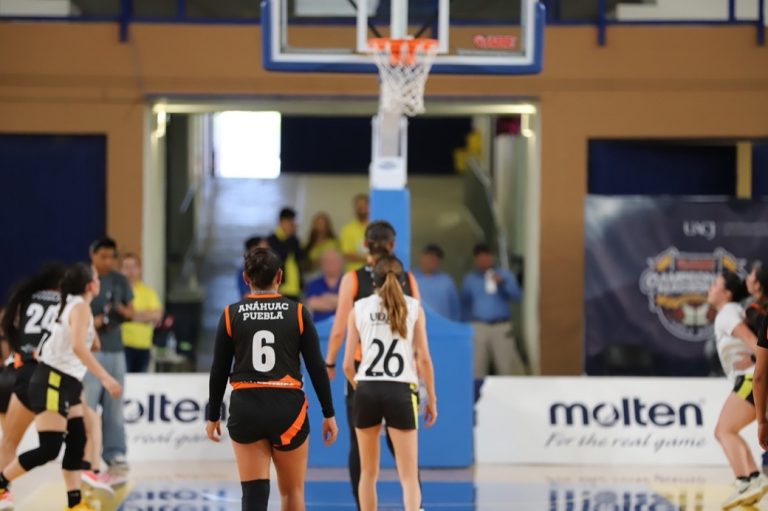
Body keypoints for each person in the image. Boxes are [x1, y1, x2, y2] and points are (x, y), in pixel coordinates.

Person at [206, 248, 338, 511]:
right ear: (280, 276)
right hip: (287, 409)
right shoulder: (298, 312)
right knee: (292, 492)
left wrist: (212, 415)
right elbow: (316, 367)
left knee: (253, 497)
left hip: (247, 407)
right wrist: (328, 413)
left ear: (246, 278)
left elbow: (219, 369)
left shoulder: (231, 314)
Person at [0, 263, 122, 511]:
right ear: (89, 285)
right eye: (96, 278)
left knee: (77, 436)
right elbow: (82, 346)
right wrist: (105, 377)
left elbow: (7, 323)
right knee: (54, 445)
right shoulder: (73, 305)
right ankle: (3, 483)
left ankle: (76, 497)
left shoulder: (43, 299)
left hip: (34, 371)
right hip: (49, 377)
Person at [324, 220, 422, 510]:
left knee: (362, 453)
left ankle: (362, 506)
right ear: (393, 244)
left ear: (365, 245)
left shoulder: (353, 279)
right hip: (400, 376)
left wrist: (330, 362)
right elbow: (418, 331)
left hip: (362, 373)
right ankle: (416, 506)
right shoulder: (407, 278)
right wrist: (418, 372)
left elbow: (338, 329)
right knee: (406, 457)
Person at [343, 255, 437, 511]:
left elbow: (347, 365)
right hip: (400, 389)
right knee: (408, 476)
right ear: (403, 281)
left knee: (367, 473)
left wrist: (361, 389)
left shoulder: (358, 308)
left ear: (373, 281)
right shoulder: (414, 308)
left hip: (367, 388)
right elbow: (424, 358)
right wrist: (431, 398)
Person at [707, 271, 766, 509]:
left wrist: (753, 359)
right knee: (727, 431)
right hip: (749, 379)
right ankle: (753, 479)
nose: (710, 288)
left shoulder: (727, 314)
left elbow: (755, 343)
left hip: (750, 380)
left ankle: (746, 480)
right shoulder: (732, 312)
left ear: (727, 293)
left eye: (715, 284)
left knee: (724, 431)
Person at [0, 265, 66, 474]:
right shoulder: (67, 302)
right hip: (49, 376)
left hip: (17, 372)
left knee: (8, 442)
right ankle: (89, 473)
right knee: (84, 430)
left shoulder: (26, 297)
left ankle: (3, 488)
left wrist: (17, 348)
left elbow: (5, 324)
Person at [83, 237, 133, 481]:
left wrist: (119, 310)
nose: (107, 261)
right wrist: (97, 321)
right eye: (102, 256)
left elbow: (130, 311)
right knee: (88, 404)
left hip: (115, 350)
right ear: (92, 255)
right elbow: (73, 315)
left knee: (114, 406)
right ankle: (84, 453)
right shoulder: (83, 279)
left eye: (112, 256)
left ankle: (115, 453)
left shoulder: (120, 280)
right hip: (90, 351)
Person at [461, 243, 525, 378]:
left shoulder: (505, 275)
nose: (483, 261)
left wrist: (503, 283)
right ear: (475, 260)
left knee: (505, 367)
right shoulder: (470, 279)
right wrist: (467, 326)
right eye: (480, 258)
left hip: (500, 326)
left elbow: (518, 296)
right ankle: (477, 391)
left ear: (491, 258)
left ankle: (506, 391)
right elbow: (465, 303)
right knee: (477, 367)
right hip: (478, 326)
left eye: (486, 257)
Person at [120, 254, 162, 373]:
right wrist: (145, 314)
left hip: (144, 346)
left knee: (141, 382)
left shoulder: (148, 292)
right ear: (121, 270)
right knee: (124, 381)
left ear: (140, 269)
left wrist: (130, 315)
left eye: (134, 267)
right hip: (123, 346)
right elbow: (119, 314)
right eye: (126, 267)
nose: (130, 271)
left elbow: (157, 315)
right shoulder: (118, 291)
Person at [412, 244, 460, 321]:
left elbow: (455, 310)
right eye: (430, 257)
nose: (432, 260)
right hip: (418, 325)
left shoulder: (447, 281)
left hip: (443, 326)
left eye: (436, 258)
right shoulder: (411, 278)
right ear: (422, 257)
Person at [267, 208, 304, 302]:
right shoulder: (272, 240)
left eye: (292, 222)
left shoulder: (294, 239)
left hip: (295, 288)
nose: (291, 225)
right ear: (280, 222)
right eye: (288, 222)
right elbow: (279, 258)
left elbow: (301, 258)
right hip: (280, 288)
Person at [304, 249, 343, 322]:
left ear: (340, 263)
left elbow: (354, 305)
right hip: (318, 326)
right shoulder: (313, 284)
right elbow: (311, 304)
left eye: (333, 261)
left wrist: (325, 298)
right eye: (326, 261)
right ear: (321, 264)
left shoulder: (350, 282)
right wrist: (338, 301)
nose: (330, 264)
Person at [339, 194, 369, 272]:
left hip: (374, 274)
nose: (361, 209)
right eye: (359, 207)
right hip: (354, 274)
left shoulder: (378, 228)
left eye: (363, 206)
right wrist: (369, 258)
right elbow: (346, 255)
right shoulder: (347, 230)